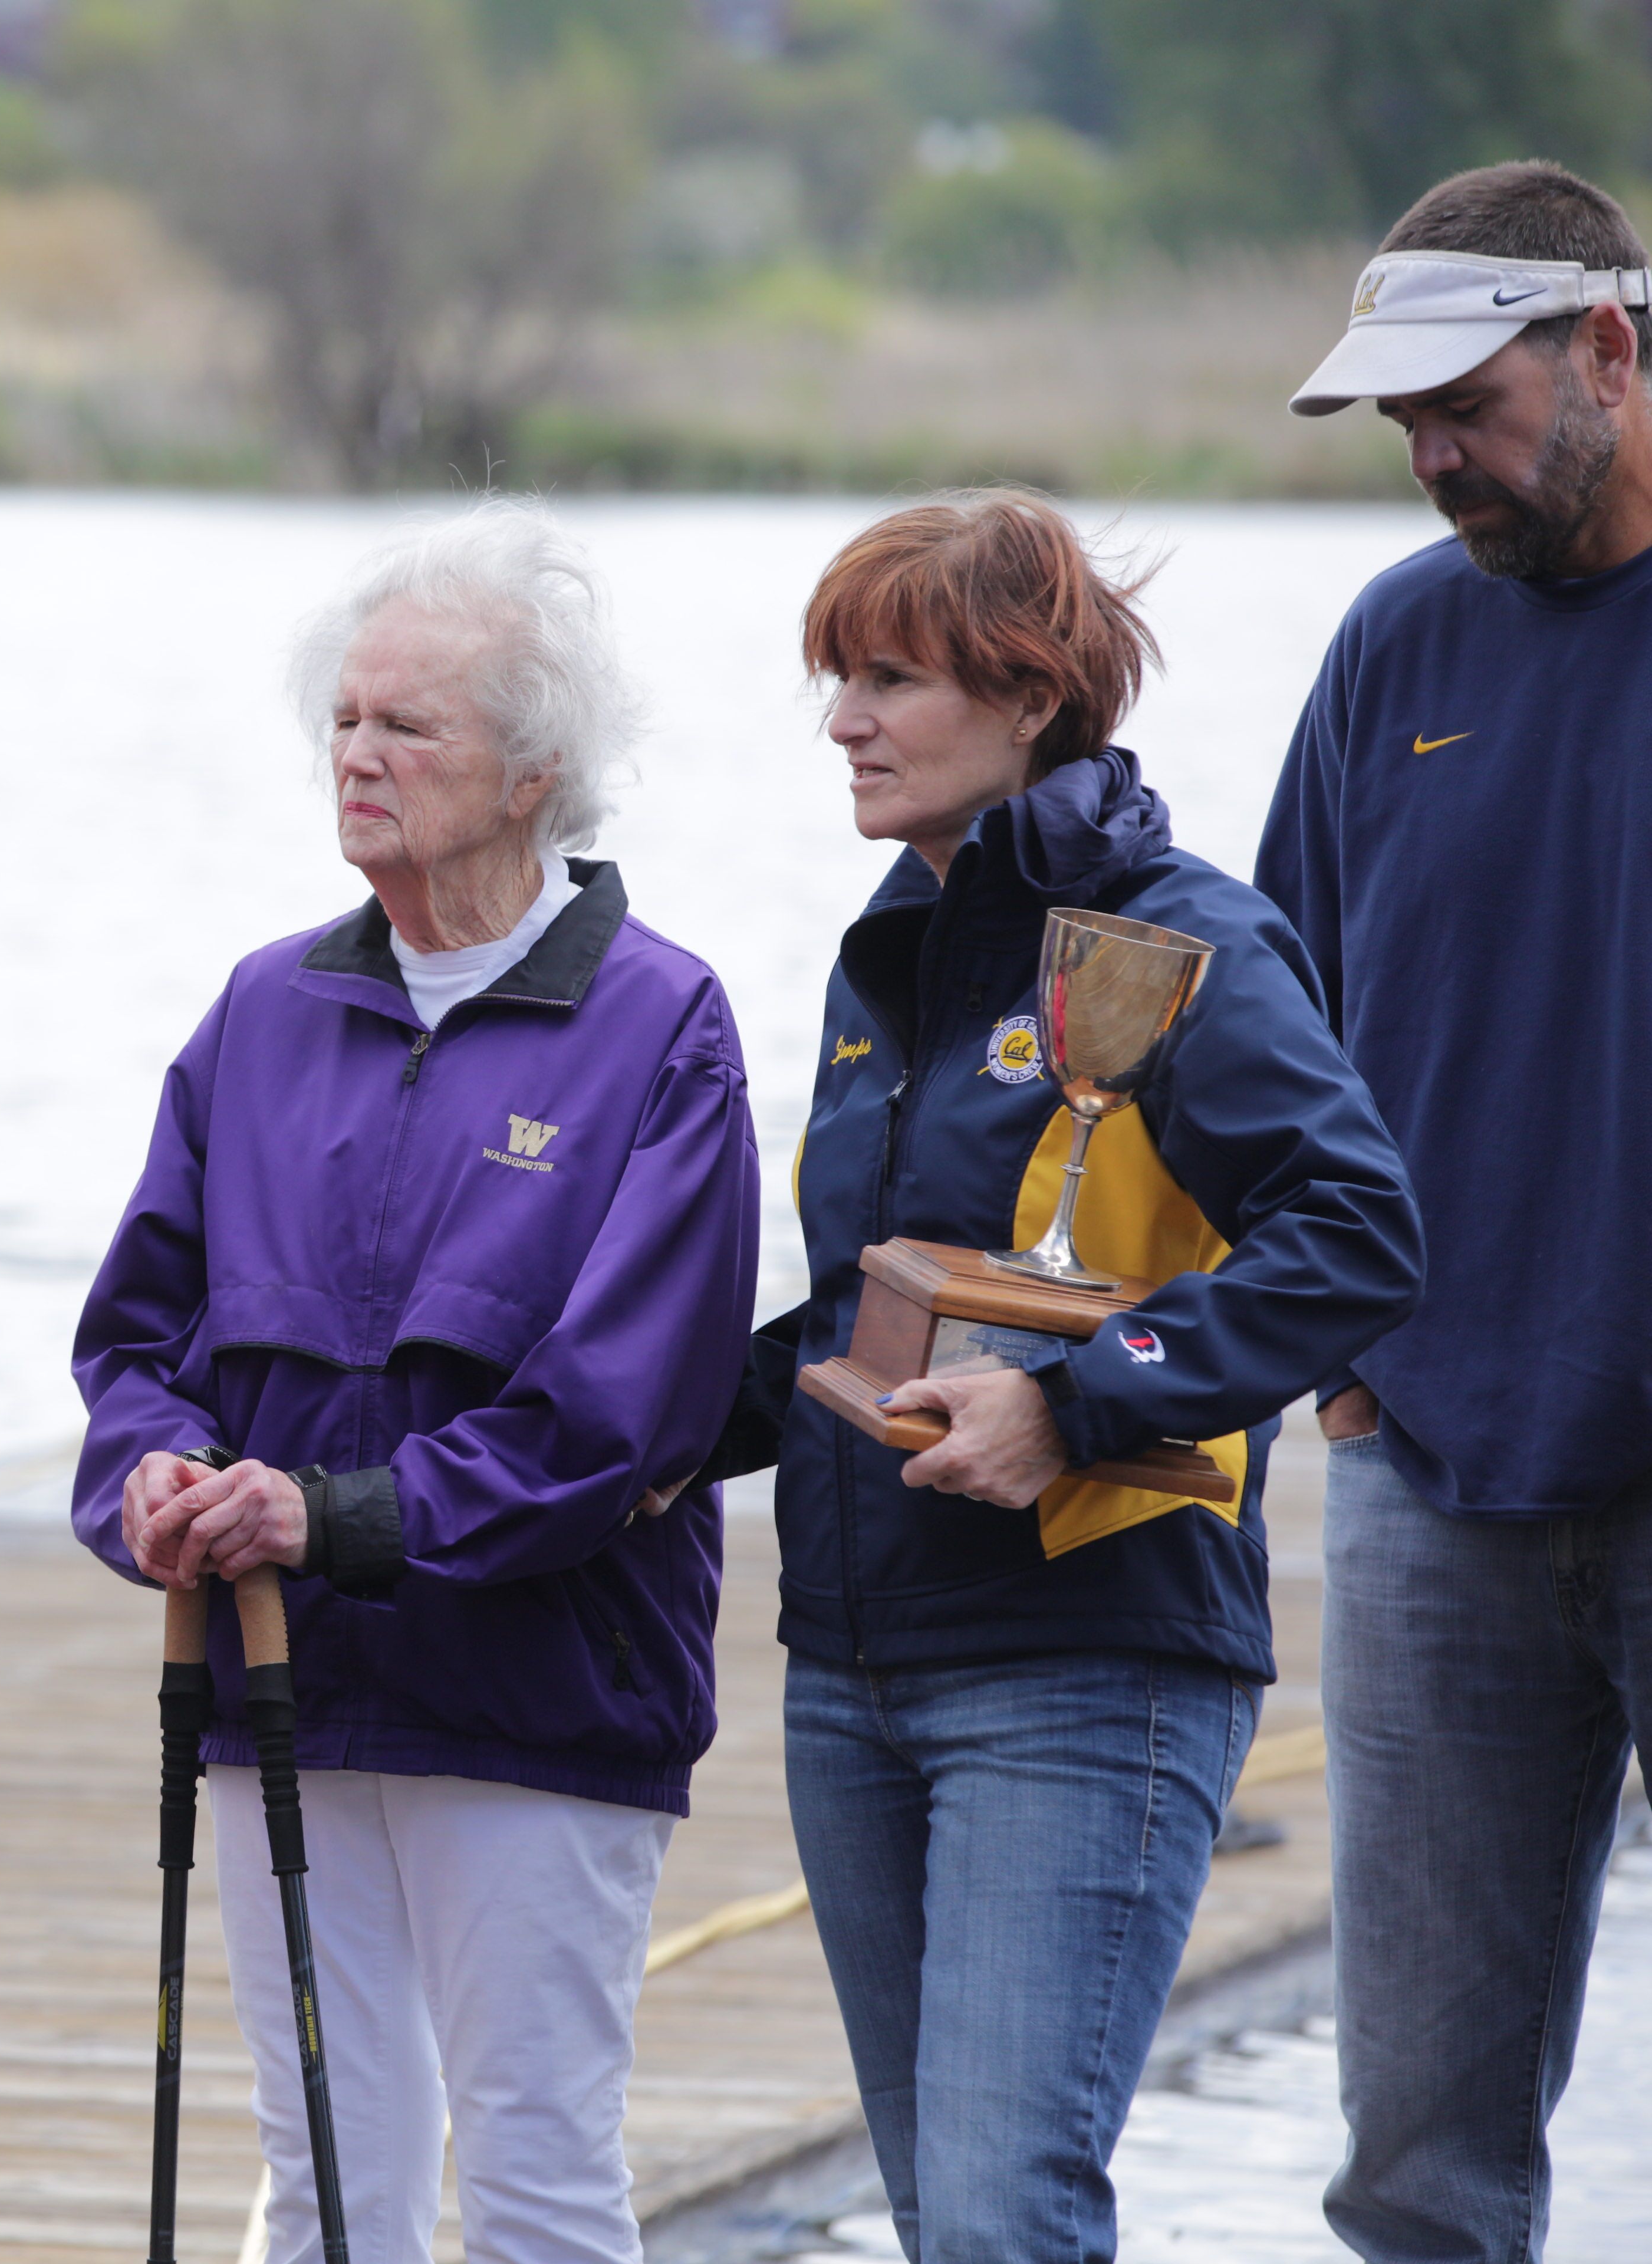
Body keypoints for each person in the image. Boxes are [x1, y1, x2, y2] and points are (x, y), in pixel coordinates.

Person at [695, 492, 1419, 2263]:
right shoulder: (894, 954)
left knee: (1007, 2221)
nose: (845, 722)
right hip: (852, 1678)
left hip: (1090, 1667)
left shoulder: (1185, 945)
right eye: (833, 683)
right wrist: (564, 1451)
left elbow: (1357, 1237)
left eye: (888, 679)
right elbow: (862, 1317)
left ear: (1031, 700)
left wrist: (1079, 1407)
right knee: (943, 2216)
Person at [73, 502, 759, 2264]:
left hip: (539, 1707)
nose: (358, 754)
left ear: (534, 773)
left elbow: (626, 1413)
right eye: (346, 720)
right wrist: (153, 1478)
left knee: (533, 2175)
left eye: (409, 726)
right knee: (324, 2189)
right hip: (274, 1689)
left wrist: (339, 1514)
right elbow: (136, 1341)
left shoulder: (663, 1027)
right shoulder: (259, 1011)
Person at [1263, 160, 1652, 2264]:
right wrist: (1334, 1373)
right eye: (1400, 422)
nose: (1432, 459)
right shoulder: (1394, 644)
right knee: (1415, 2165)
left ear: (1607, 345)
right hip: (1431, 1487)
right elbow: (1268, 1046)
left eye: (1467, 404)